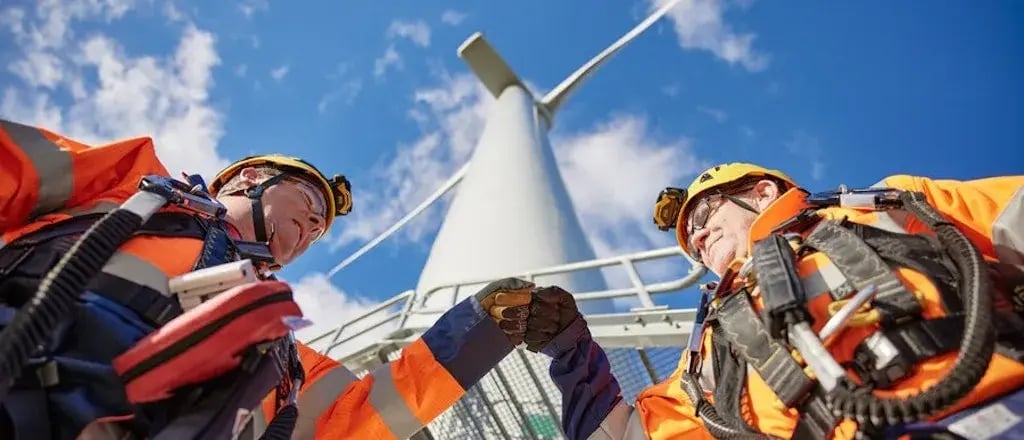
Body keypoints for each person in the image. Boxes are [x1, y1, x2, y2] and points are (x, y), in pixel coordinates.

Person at [0, 117, 534, 440]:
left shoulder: (283, 359)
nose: (310, 229)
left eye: (320, 229)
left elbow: (363, 417)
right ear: (251, 179)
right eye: (305, 205)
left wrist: (484, 329)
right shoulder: (127, 185)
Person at [518, 162, 1024, 439]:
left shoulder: (887, 207)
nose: (696, 239)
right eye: (690, 242)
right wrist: (572, 351)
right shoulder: (707, 352)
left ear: (760, 192)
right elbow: (629, 438)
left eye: (703, 216)